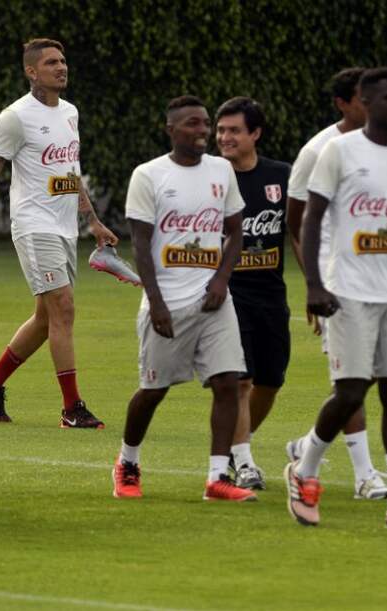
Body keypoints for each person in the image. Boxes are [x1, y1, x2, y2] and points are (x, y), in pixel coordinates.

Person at [285, 68, 387, 529]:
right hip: (348, 289)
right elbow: (310, 220)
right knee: (351, 391)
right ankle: (305, 469)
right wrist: (314, 285)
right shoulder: (338, 151)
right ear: (366, 103)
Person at [0, 38, 118, 427]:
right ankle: (72, 408)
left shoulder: (71, 113)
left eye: (63, 61)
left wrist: (91, 220)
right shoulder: (14, 117)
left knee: (46, 318)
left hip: (64, 228)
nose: (62, 67)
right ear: (31, 71)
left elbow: (70, 174)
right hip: (32, 224)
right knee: (64, 307)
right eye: (52, 63)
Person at [112, 96, 256, 502]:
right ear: (170, 129)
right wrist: (155, 302)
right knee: (153, 391)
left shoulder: (221, 170)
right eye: (192, 124)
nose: (202, 131)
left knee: (229, 383)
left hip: (213, 300)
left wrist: (221, 281)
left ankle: (216, 478)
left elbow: (235, 231)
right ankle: (128, 461)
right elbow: (140, 245)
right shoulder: (148, 175)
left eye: (205, 123)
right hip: (167, 305)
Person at [286, 68, 387, 500]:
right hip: (337, 280)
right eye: (367, 99)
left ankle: (308, 445)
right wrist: (314, 284)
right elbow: (295, 221)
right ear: (343, 103)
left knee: (372, 375)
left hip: (378, 282)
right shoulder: (318, 150)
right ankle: (365, 475)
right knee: (351, 377)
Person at [215, 97, 291, 490]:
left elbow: (297, 232)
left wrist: (317, 285)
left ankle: (232, 449)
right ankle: (244, 464)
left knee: (270, 381)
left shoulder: (281, 176)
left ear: (255, 134)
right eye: (221, 130)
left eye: (234, 131)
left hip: (272, 296)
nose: (225, 138)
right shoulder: (210, 177)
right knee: (239, 381)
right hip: (227, 295)